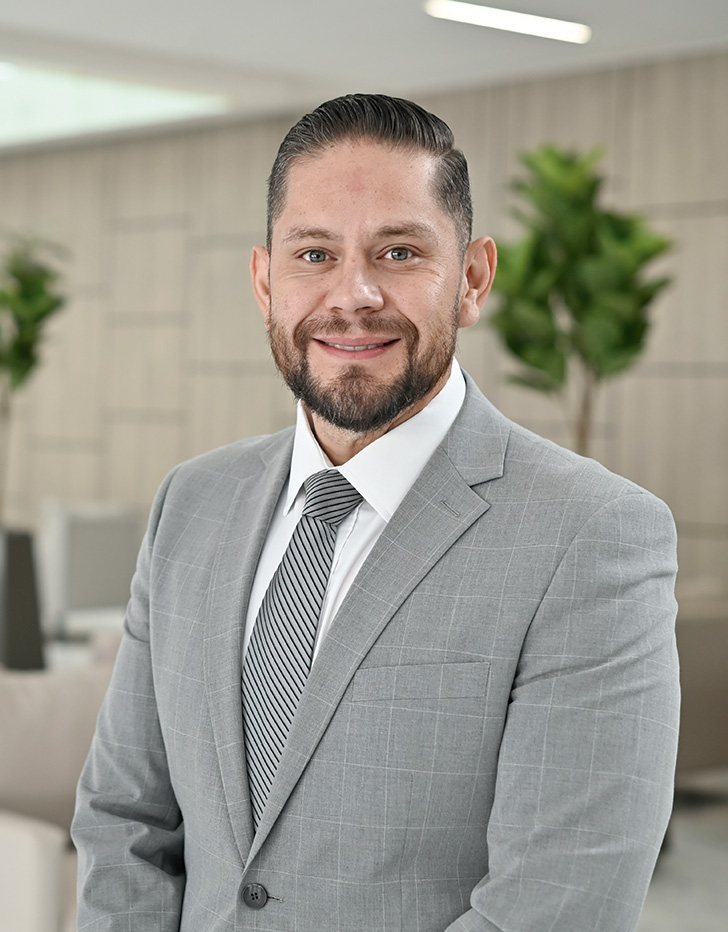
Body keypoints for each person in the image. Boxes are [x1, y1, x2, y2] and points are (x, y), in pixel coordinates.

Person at [72, 94, 679, 932]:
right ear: (265, 281)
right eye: (314, 253)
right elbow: (123, 819)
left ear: (471, 280)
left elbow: (563, 893)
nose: (352, 295)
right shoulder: (193, 502)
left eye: (399, 252)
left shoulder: (592, 534)